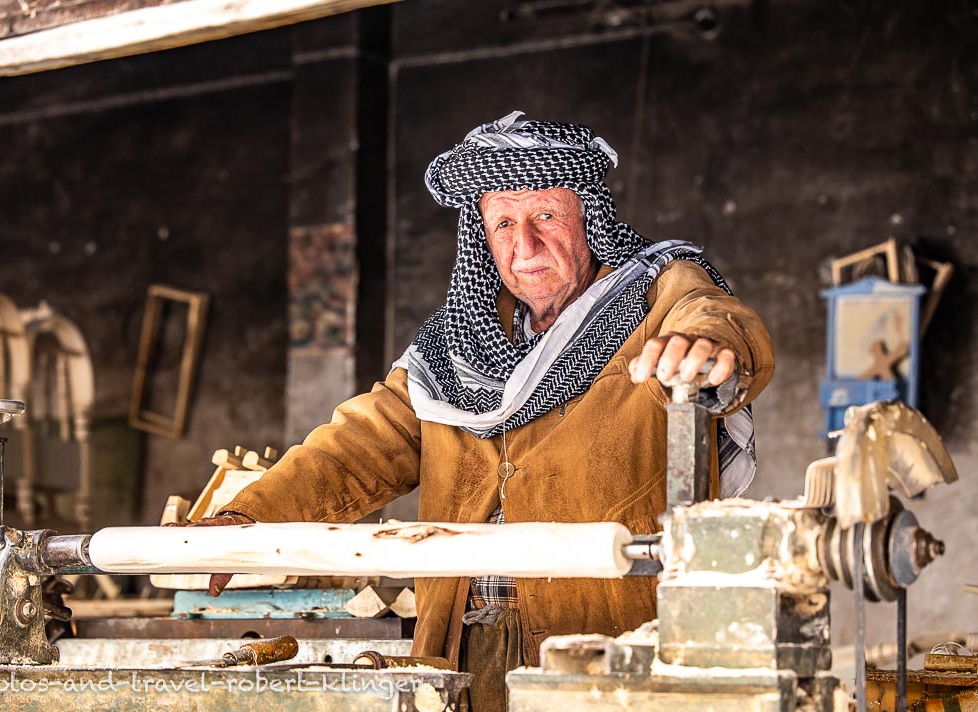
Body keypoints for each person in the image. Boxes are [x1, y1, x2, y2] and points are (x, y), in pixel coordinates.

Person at [190, 111, 774, 711]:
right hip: (458, 650)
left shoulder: (657, 296)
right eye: (503, 224)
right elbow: (357, 446)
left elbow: (712, 315)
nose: (525, 245)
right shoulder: (453, 349)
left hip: (607, 651)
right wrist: (249, 519)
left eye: (546, 215)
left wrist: (708, 347)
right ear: (482, 237)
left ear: (588, 215)